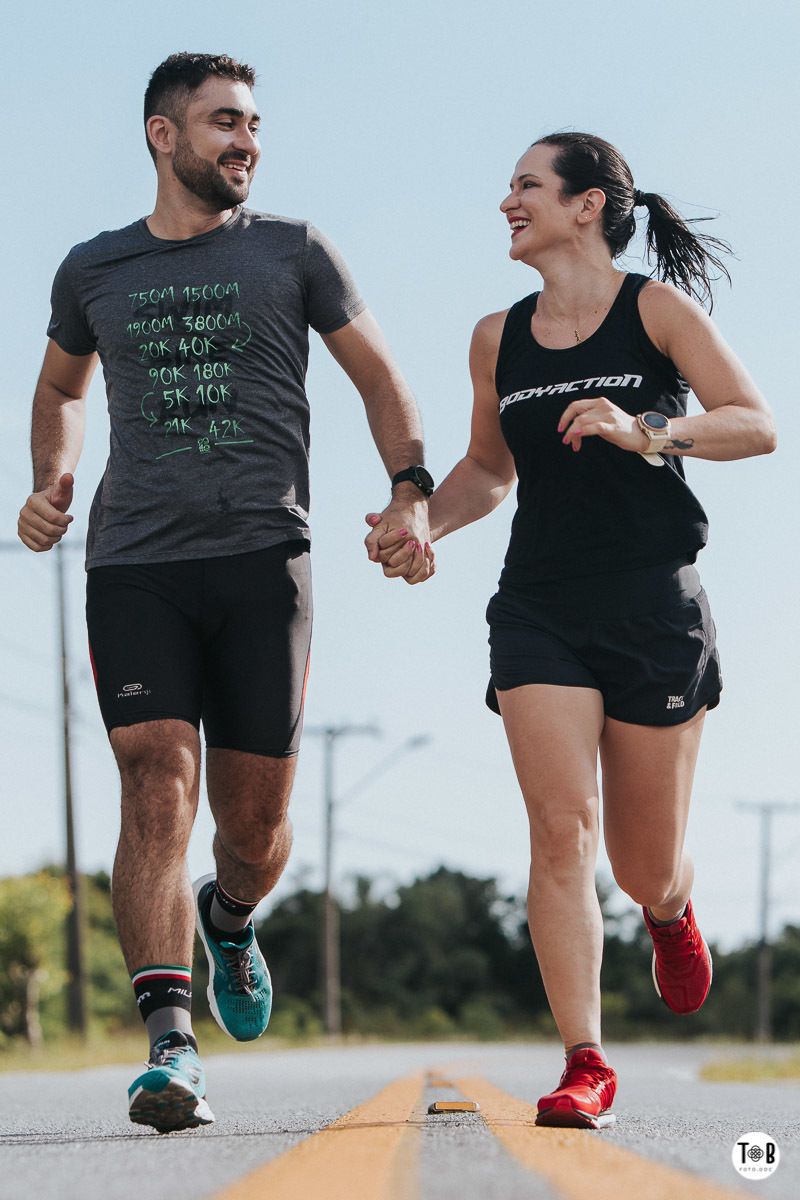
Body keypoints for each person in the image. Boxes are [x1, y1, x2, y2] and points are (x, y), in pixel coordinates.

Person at [17, 51, 434, 1133]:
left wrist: (410, 491)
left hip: (263, 559)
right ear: (163, 136)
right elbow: (60, 385)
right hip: (135, 563)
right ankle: (170, 1044)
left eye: (252, 123)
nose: (245, 140)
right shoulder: (94, 267)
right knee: (155, 781)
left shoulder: (294, 249)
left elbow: (378, 376)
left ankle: (231, 916)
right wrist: (51, 478)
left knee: (255, 828)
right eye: (223, 122)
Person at [367, 132, 776, 1128]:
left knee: (640, 864)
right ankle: (584, 1061)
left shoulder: (654, 311)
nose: (507, 201)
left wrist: (647, 431)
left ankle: (668, 907)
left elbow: (754, 423)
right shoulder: (495, 337)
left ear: (587, 204)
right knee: (560, 832)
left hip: (653, 607)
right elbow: (487, 468)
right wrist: (420, 524)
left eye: (526, 185)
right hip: (539, 608)